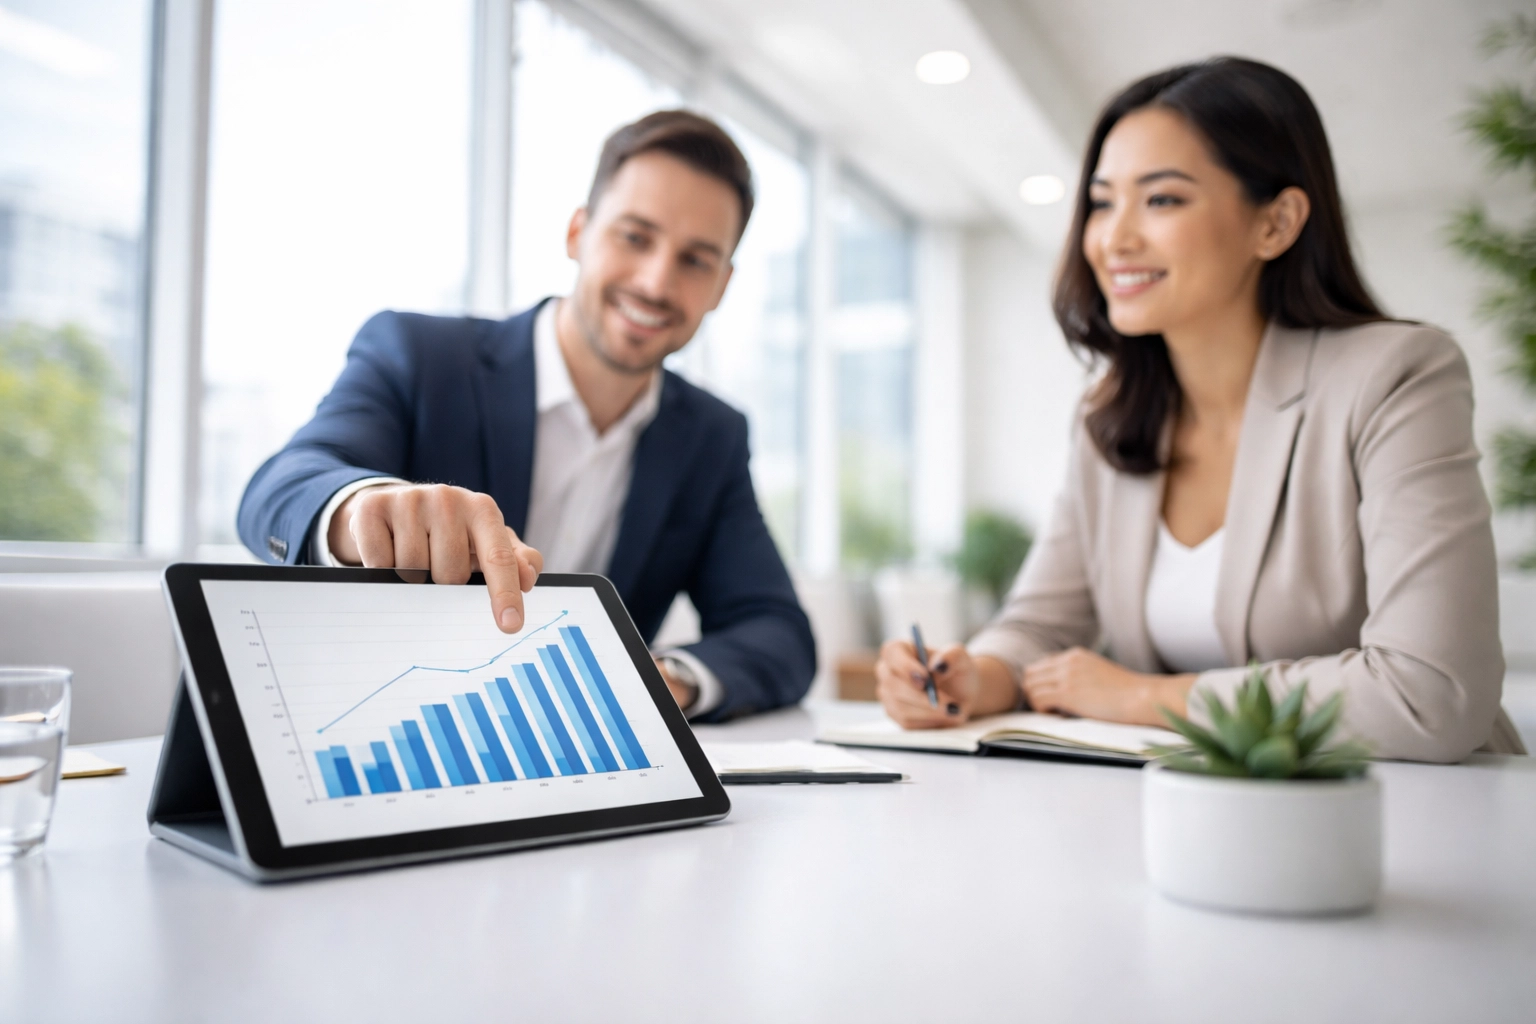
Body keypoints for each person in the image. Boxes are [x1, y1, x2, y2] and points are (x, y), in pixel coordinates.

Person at [876, 57, 1524, 762]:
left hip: (1416, 816)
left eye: (1162, 200)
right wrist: (975, 675)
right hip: (1199, 811)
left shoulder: (1394, 377)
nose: (1113, 238)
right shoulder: (1111, 416)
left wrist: (1144, 697)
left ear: (1275, 223)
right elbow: (1041, 626)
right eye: (1101, 201)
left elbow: (1428, 692)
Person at [238, 110, 815, 722]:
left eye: (696, 260)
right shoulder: (418, 355)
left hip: (575, 767)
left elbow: (777, 631)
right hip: (382, 732)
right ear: (577, 233)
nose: (656, 282)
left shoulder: (710, 438)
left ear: (722, 285)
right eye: (634, 237)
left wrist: (664, 678)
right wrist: (364, 506)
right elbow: (280, 487)